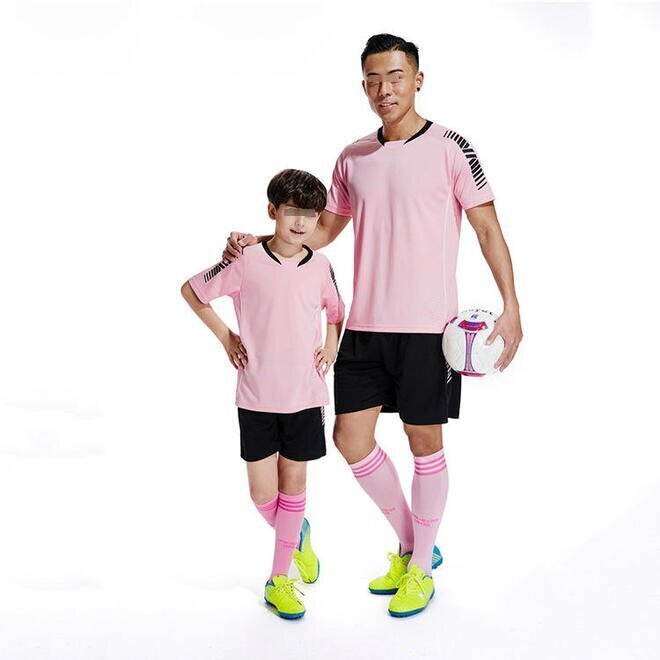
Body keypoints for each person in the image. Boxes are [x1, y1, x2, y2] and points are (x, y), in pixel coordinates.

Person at [220, 33, 523, 618]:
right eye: (373, 80)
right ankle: (416, 546)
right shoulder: (352, 157)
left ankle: (420, 566)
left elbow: (487, 228)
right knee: (349, 440)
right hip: (362, 325)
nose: (385, 89)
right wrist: (257, 242)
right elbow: (321, 231)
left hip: (429, 329)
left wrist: (511, 306)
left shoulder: (451, 148)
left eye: (396, 76)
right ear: (364, 87)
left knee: (423, 443)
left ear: (418, 79)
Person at [181, 169, 345, 619]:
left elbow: (336, 313)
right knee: (262, 495)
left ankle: (278, 580)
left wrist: (332, 346)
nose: (301, 222)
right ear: (272, 211)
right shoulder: (246, 259)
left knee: (295, 486)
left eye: (310, 214)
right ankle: (298, 535)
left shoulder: (321, 266)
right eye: (292, 211)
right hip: (256, 396)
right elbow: (193, 291)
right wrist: (226, 336)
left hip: (305, 396)